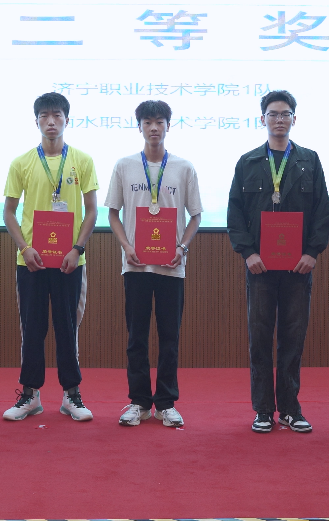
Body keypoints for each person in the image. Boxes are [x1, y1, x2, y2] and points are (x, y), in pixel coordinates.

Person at [227, 90, 329, 434]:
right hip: (260, 267)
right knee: (259, 339)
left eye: (285, 114)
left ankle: (289, 408)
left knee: (293, 337)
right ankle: (263, 410)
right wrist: (248, 252)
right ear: (263, 119)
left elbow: (321, 210)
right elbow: (235, 213)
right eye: (273, 114)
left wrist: (312, 252)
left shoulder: (309, 160)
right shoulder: (248, 162)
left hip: (298, 267)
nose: (279, 119)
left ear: (294, 119)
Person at [1, 91, 99, 422]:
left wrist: (77, 248)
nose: (51, 121)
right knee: (32, 328)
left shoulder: (82, 160)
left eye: (57, 115)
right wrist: (24, 248)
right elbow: (9, 212)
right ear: (37, 122)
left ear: (67, 120)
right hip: (32, 262)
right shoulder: (22, 162)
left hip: (70, 262)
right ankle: (30, 395)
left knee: (67, 328)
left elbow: (92, 210)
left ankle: (72, 395)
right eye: (44, 115)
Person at [105, 100, 203, 428]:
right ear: (139, 127)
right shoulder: (124, 165)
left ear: (168, 126)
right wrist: (126, 246)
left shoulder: (184, 168)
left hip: (171, 267)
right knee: (137, 337)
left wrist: (182, 247)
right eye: (147, 122)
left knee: (169, 337)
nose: (154, 128)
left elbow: (196, 215)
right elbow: (112, 213)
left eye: (159, 122)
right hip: (135, 266)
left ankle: (166, 403)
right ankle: (139, 402)